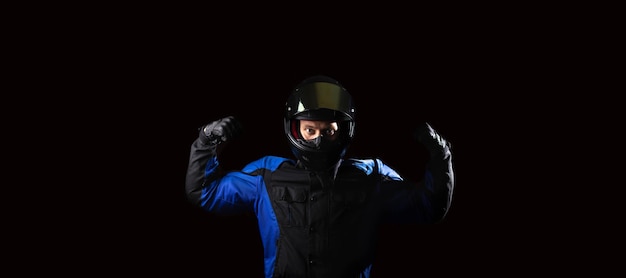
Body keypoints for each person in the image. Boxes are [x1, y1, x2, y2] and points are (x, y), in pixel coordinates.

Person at [185, 75, 455, 278]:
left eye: (329, 131)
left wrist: (440, 154)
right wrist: (207, 141)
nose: (318, 140)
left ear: (343, 131)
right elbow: (204, 193)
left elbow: (428, 207)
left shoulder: (370, 175)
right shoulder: (267, 175)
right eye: (310, 130)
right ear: (295, 129)